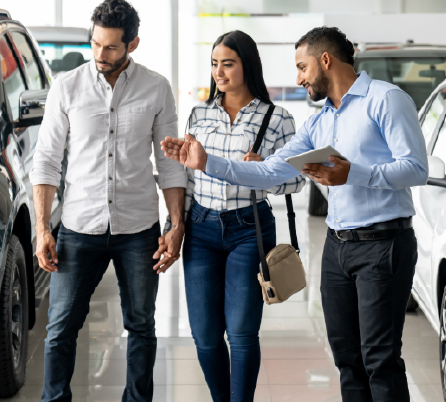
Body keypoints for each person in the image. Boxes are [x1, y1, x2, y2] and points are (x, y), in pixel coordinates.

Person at [161, 27, 429, 402]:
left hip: (383, 243)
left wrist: (354, 173)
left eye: (302, 67)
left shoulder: (385, 100)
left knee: (379, 359)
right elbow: (272, 171)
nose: (299, 78)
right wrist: (208, 163)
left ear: (325, 61)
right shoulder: (322, 121)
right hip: (338, 247)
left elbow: (416, 168)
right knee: (347, 359)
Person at [29, 0, 187, 401]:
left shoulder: (156, 88)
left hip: (138, 228)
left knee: (141, 325)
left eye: (111, 47)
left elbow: (169, 164)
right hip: (80, 227)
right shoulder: (67, 87)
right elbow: (46, 160)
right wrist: (42, 228)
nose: (100, 55)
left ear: (132, 44)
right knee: (61, 327)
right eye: (95, 44)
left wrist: (175, 224)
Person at [179, 30, 304, 402]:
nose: (219, 72)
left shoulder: (277, 117)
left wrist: (266, 169)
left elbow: (296, 180)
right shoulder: (199, 113)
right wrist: (178, 225)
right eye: (215, 64)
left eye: (228, 63)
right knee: (204, 335)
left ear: (247, 65)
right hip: (201, 227)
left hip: (249, 229)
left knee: (242, 333)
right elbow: (187, 176)